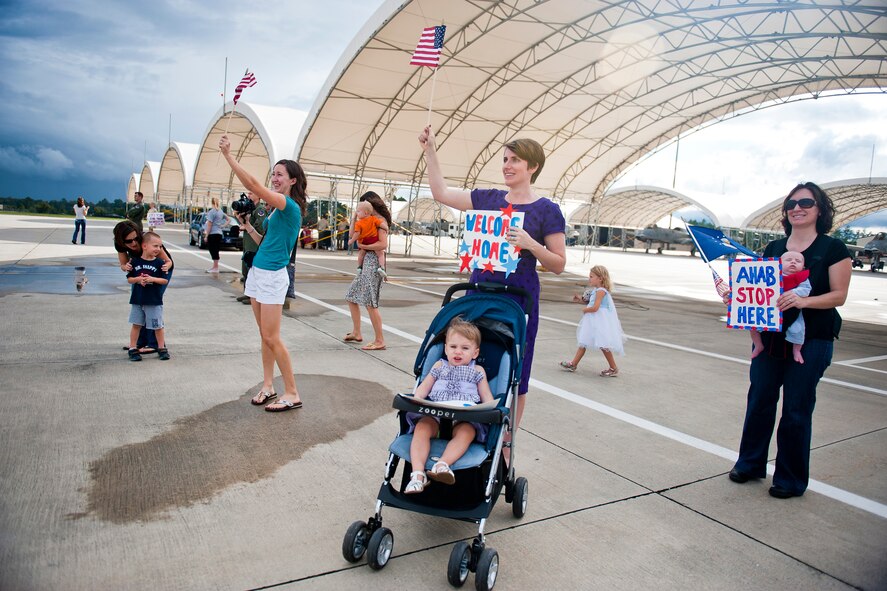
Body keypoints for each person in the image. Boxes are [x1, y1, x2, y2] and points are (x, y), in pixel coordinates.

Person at [418, 125, 566, 439]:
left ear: (533, 167)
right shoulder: (488, 198)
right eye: (505, 159)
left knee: (516, 373)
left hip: (518, 303)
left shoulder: (547, 211)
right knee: (463, 357)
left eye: (515, 160)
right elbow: (441, 193)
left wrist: (531, 245)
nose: (507, 166)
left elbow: (559, 265)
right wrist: (430, 151)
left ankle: (507, 440)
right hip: (477, 297)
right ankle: (459, 422)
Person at [728, 182, 851, 499]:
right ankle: (750, 464)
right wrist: (736, 297)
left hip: (812, 339)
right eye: (791, 203)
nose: (797, 207)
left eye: (806, 202)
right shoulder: (773, 249)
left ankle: (790, 479)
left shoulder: (833, 249)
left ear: (819, 209)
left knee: (796, 410)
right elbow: (759, 292)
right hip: (771, 338)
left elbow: (839, 296)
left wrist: (802, 302)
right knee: (759, 402)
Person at [220, 134, 305, 412]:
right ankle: (268, 386)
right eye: (274, 174)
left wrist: (229, 156)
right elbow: (265, 242)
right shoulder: (275, 211)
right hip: (258, 272)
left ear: (292, 180)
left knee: (272, 337)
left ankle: (291, 392)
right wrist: (247, 226)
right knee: (264, 336)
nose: (274, 178)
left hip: (272, 276)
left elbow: (252, 185)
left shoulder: (287, 206)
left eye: (280, 174)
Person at [404, 317, 495, 494]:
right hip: (435, 416)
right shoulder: (439, 365)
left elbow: (487, 398)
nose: (458, 352)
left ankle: (442, 464)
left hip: (463, 418)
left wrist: (493, 410)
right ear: (445, 348)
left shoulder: (477, 371)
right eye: (453, 347)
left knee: (467, 432)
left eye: (465, 348)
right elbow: (424, 387)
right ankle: (417, 474)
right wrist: (417, 399)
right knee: (422, 427)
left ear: (475, 353)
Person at [114, 220, 174, 354]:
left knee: (151, 303)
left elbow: (168, 261)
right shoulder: (119, 245)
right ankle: (137, 343)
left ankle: (154, 344)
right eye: (129, 241)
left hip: (160, 270)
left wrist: (165, 268)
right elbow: (123, 265)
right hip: (140, 270)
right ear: (121, 241)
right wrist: (126, 267)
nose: (134, 243)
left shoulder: (148, 240)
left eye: (136, 239)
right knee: (139, 303)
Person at [343, 191, 391, 351]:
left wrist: (364, 247)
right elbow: (352, 235)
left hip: (374, 262)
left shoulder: (379, 221)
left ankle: (380, 340)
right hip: (365, 263)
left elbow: (383, 245)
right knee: (351, 296)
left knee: (371, 301)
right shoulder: (363, 220)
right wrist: (354, 218)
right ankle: (357, 332)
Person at [559, 265, 625, 376]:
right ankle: (573, 364)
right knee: (583, 342)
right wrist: (580, 300)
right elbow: (591, 303)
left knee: (603, 344)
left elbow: (595, 307)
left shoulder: (601, 291)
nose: (589, 279)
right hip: (593, 320)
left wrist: (585, 310)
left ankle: (613, 368)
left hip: (598, 320)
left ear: (600, 278)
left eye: (591, 276)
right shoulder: (596, 290)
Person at [749, 251, 811, 364]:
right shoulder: (771, 274)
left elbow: (806, 290)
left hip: (792, 310)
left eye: (798, 261)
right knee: (753, 325)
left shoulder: (802, 278)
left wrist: (792, 292)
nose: (793, 262)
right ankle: (758, 345)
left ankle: (796, 350)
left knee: (798, 330)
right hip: (770, 310)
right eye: (788, 260)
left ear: (803, 266)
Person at [126, 232, 171, 361]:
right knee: (136, 324)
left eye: (160, 246)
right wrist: (138, 279)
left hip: (154, 300)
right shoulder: (135, 262)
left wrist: (152, 279)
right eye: (155, 246)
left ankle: (161, 348)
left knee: (158, 326)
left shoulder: (159, 263)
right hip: (138, 299)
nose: (158, 249)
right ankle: (132, 348)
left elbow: (164, 281)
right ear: (144, 246)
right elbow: (129, 279)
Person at [237, 194, 268, 304]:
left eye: (251, 193)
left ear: (258, 196)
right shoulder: (250, 209)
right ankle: (247, 293)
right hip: (248, 243)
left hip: (254, 244)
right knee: (245, 270)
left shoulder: (260, 210)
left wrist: (247, 226)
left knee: (252, 270)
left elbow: (260, 226)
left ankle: (252, 296)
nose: (248, 195)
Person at [348, 201, 387, 278]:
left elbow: (356, 234)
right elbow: (381, 224)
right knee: (380, 254)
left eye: (358, 211)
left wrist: (352, 240)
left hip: (363, 240)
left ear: (365, 213)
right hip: (373, 239)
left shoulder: (359, 223)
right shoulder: (374, 219)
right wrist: (387, 228)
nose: (356, 213)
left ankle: (359, 267)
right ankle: (382, 267)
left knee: (361, 254)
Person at [204, 197, 228, 274]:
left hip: (213, 233)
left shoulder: (212, 212)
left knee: (212, 250)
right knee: (216, 250)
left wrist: (206, 235)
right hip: (219, 233)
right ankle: (215, 266)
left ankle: (215, 267)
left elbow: (209, 224)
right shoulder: (220, 211)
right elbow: (229, 219)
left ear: (211, 203)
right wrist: (223, 226)